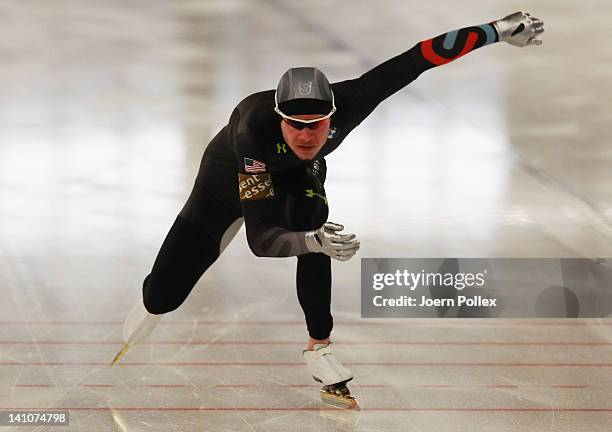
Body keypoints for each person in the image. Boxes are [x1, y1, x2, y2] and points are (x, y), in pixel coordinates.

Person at [112, 11, 545, 409]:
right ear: (279, 117)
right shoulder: (253, 135)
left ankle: (319, 347)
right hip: (228, 184)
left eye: (316, 125)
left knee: (311, 220)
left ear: (333, 114)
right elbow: (261, 240)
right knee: (162, 297)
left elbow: (419, 58)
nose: (306, 135)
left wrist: (500, 30)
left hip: (297, 180)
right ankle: (154, 301)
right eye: (295, 125)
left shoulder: (353, 100)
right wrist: (310, 242)